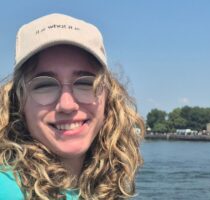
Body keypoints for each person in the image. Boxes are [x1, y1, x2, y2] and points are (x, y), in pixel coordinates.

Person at [0, 13, 145, 199]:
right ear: (19, 102)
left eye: (85, 84)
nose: (67, 105)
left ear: (109, 97)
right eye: (44, 85)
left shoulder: (101, 186)